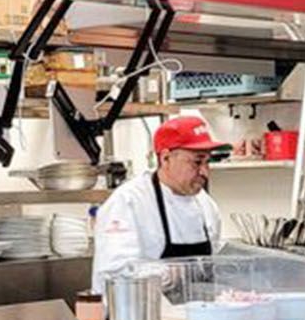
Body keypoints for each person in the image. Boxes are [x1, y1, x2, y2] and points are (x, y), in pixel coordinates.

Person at [91, 112, 224, 288]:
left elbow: (212, 264)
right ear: (166, 158)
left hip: (197, 312)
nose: (204, 172)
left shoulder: (206, 205)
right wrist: (172, 273)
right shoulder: (128, 202)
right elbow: (116, 272)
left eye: (208, 162)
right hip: (141, 312)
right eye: (197, 162)